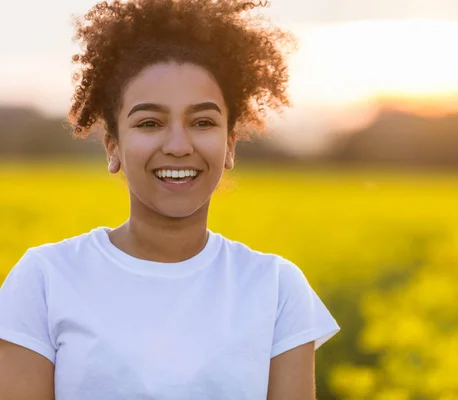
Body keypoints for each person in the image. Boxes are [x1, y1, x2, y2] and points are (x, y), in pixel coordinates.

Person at [0, 0, 340, 399]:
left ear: (230, 144)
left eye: (202, 122)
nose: (179, 145)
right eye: (149, 123)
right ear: (112, 146)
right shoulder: (43, 280)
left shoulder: (277, 288)